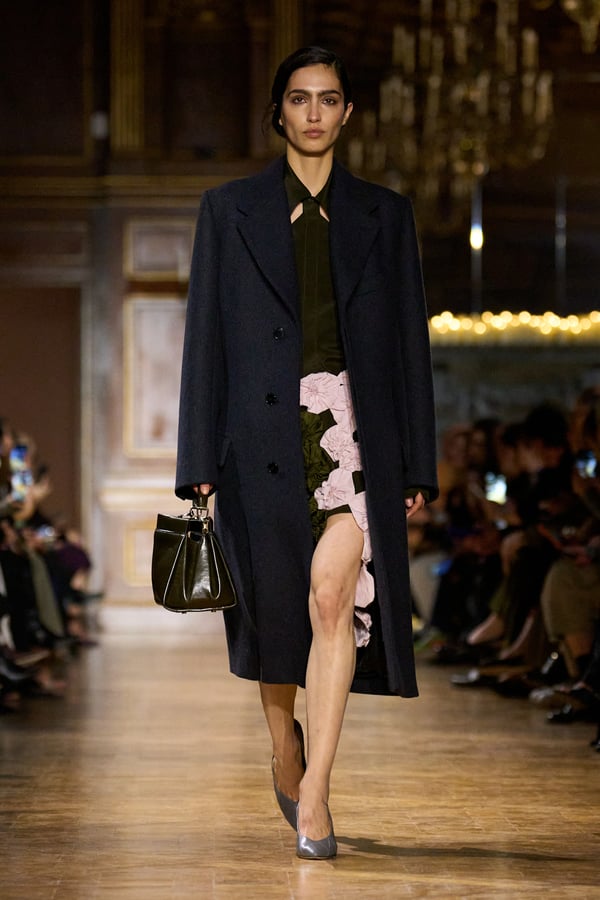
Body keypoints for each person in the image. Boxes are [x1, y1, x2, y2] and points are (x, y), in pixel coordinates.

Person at [175, 46, 438, 859]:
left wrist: (418, 463)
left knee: (332, 602)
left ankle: (316, 790)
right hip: (258, 439)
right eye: (300, 98)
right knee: (277, 608)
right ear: (279, 111)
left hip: (356, 435)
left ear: (348, 113)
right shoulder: (229, 210)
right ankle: (283, 745)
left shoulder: (384, 215)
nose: (314, 113)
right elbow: (205, 338)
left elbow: (409, 343)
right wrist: (197, 461)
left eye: (328, 99)